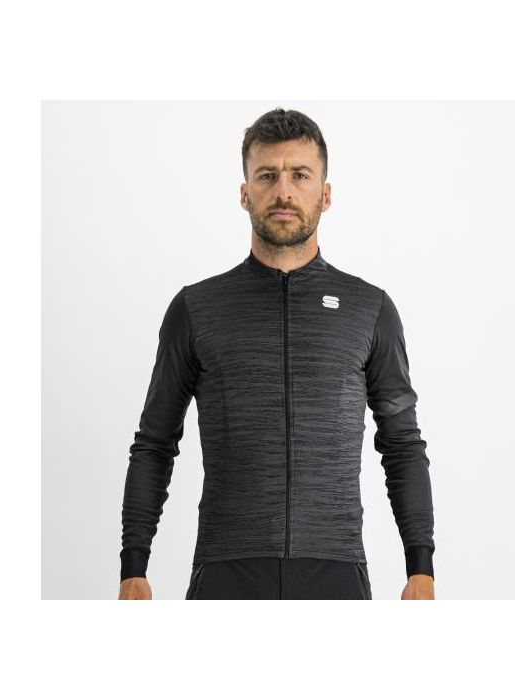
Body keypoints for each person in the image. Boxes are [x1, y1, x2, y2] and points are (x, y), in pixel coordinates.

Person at [118, 108, 436, 600]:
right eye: (267, 175)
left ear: (325, 194)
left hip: (336, 572)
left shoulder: (369, 309)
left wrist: (421, 568)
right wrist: (133, 566)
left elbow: (402, 445)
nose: (283, 191)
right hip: (226, 571)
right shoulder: (197, 309)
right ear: (245, 192)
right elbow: (155, 443)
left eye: (300, 175)